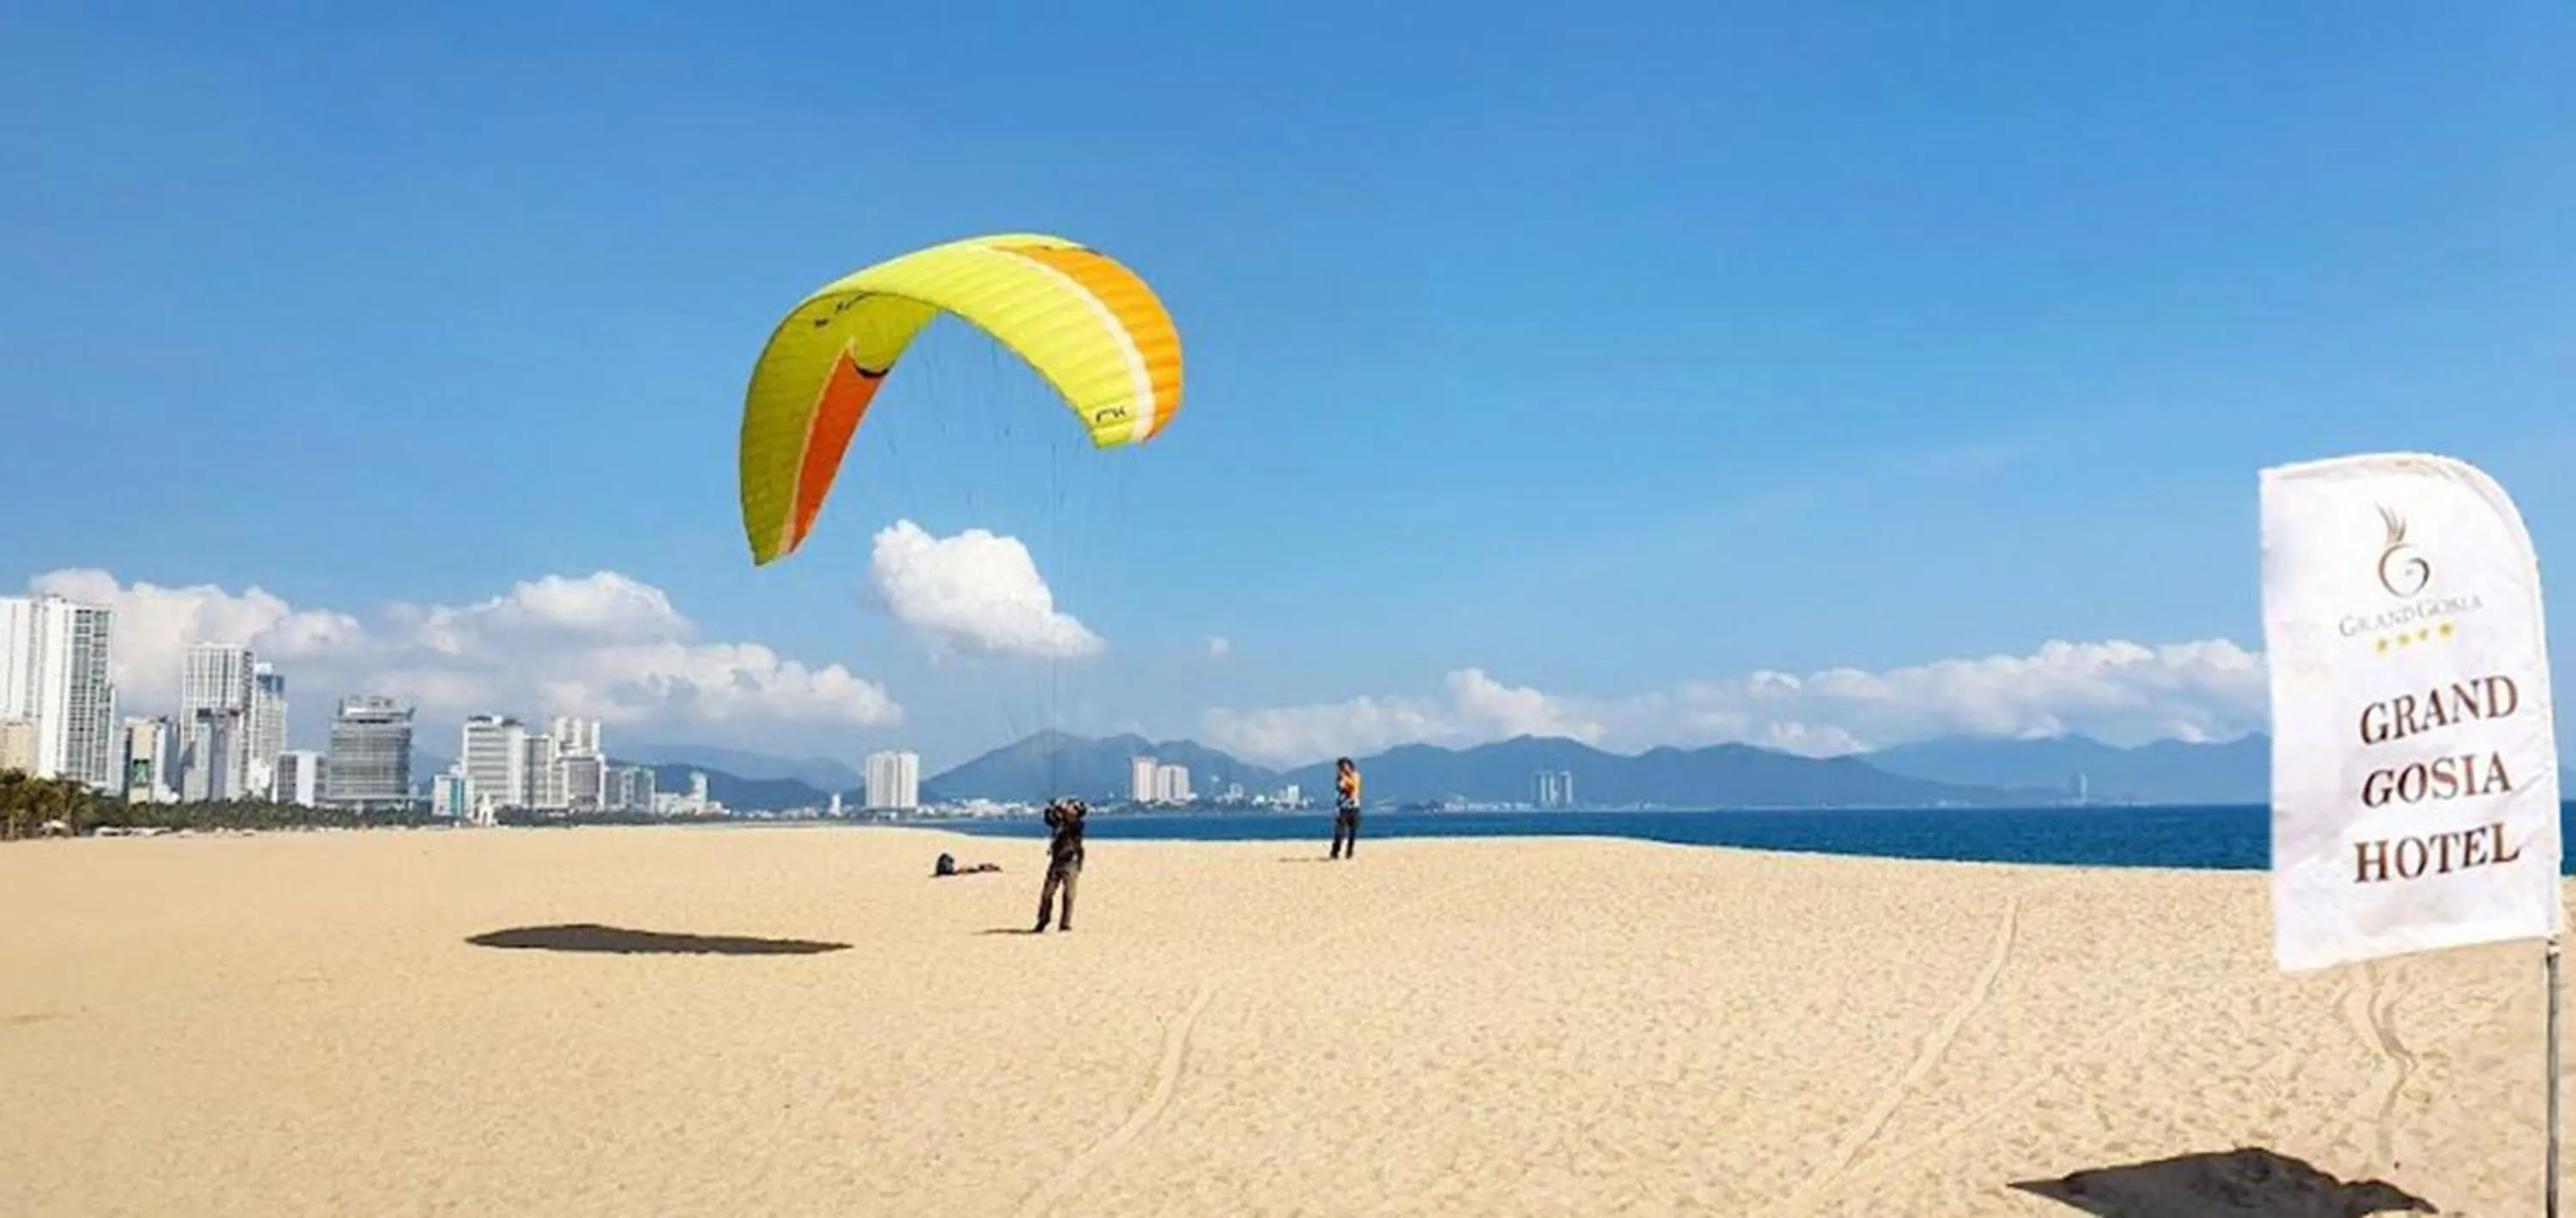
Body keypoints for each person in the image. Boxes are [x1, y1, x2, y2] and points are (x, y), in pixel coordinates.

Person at [1035, 797, 1087, 932]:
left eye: (1072, 807)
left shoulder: (1077, 824)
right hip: (1056, 861)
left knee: (1069, 895)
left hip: (1071, 862)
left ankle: (1065, 924)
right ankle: (1043, 920)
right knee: (1047, 894)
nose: (1068, 808)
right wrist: (1051, 809)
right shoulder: (1061, 822)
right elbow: (1049, 819)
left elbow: (1069, 822)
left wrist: (1060, 809)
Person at [1329, 757, 1362, 860]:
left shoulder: (1356, 775)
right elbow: (1340, 791)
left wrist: (1345, 778)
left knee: (1353, 833)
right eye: (1340, 767)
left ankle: (1349, 853)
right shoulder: (1339, 778)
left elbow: (1354, 787)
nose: (1343, 769)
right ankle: (1335, 852)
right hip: (1343, 808)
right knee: (1339, 832)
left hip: (1354, 807)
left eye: (1344, 766)